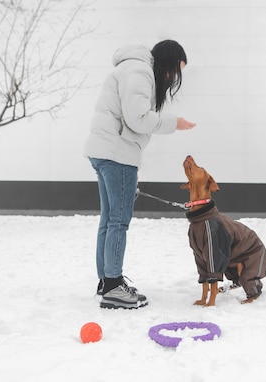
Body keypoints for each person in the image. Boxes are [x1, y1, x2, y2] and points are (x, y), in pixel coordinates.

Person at [83, 40, 196, 309]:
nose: (172, 78)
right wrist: (174, 123)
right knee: (118, 222)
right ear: (166, 63)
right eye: (174, 70)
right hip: (117, 154)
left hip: (106, 151)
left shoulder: (132, 68)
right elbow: (138, 119)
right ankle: (112, 286)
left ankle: (106, 281)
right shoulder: (140, 71)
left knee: (109, 220)